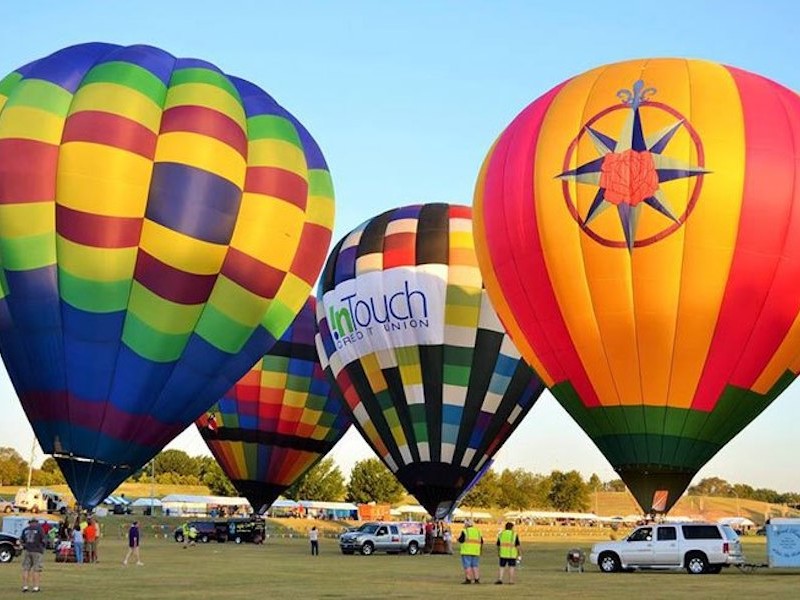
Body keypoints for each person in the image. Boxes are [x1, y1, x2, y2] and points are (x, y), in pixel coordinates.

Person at [21, 517, 46, 593]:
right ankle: (35, 587)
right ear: (36, 522)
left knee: (26, 569)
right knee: (36, 569)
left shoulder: (25, 530)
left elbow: (22, 540)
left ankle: (25, 586)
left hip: (28, 550)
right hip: (37, 551)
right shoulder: (40, 529)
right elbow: (43, 540)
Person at [458, 519, 483, 584]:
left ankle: (468, 579)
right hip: (476, 551)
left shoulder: (465, 531)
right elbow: (481, 541)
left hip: (466, 551)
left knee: (467, 566)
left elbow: (461, 540)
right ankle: (477, 579)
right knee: (475, 566)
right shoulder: (478, 531)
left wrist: (458, 539)